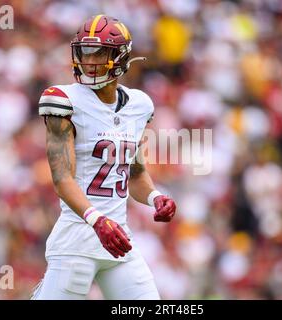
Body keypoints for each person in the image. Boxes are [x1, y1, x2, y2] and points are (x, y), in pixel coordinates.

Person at [31, 15, 177, 300]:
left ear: (120, 58)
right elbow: (62, 179)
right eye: (85, 52)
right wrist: (97, 220)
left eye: (99, 52)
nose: (90, 61)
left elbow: (133, 174)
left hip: (118, 241)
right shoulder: (63, 100)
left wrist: (154, 197)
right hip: (78, 239)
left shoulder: (138, 105)